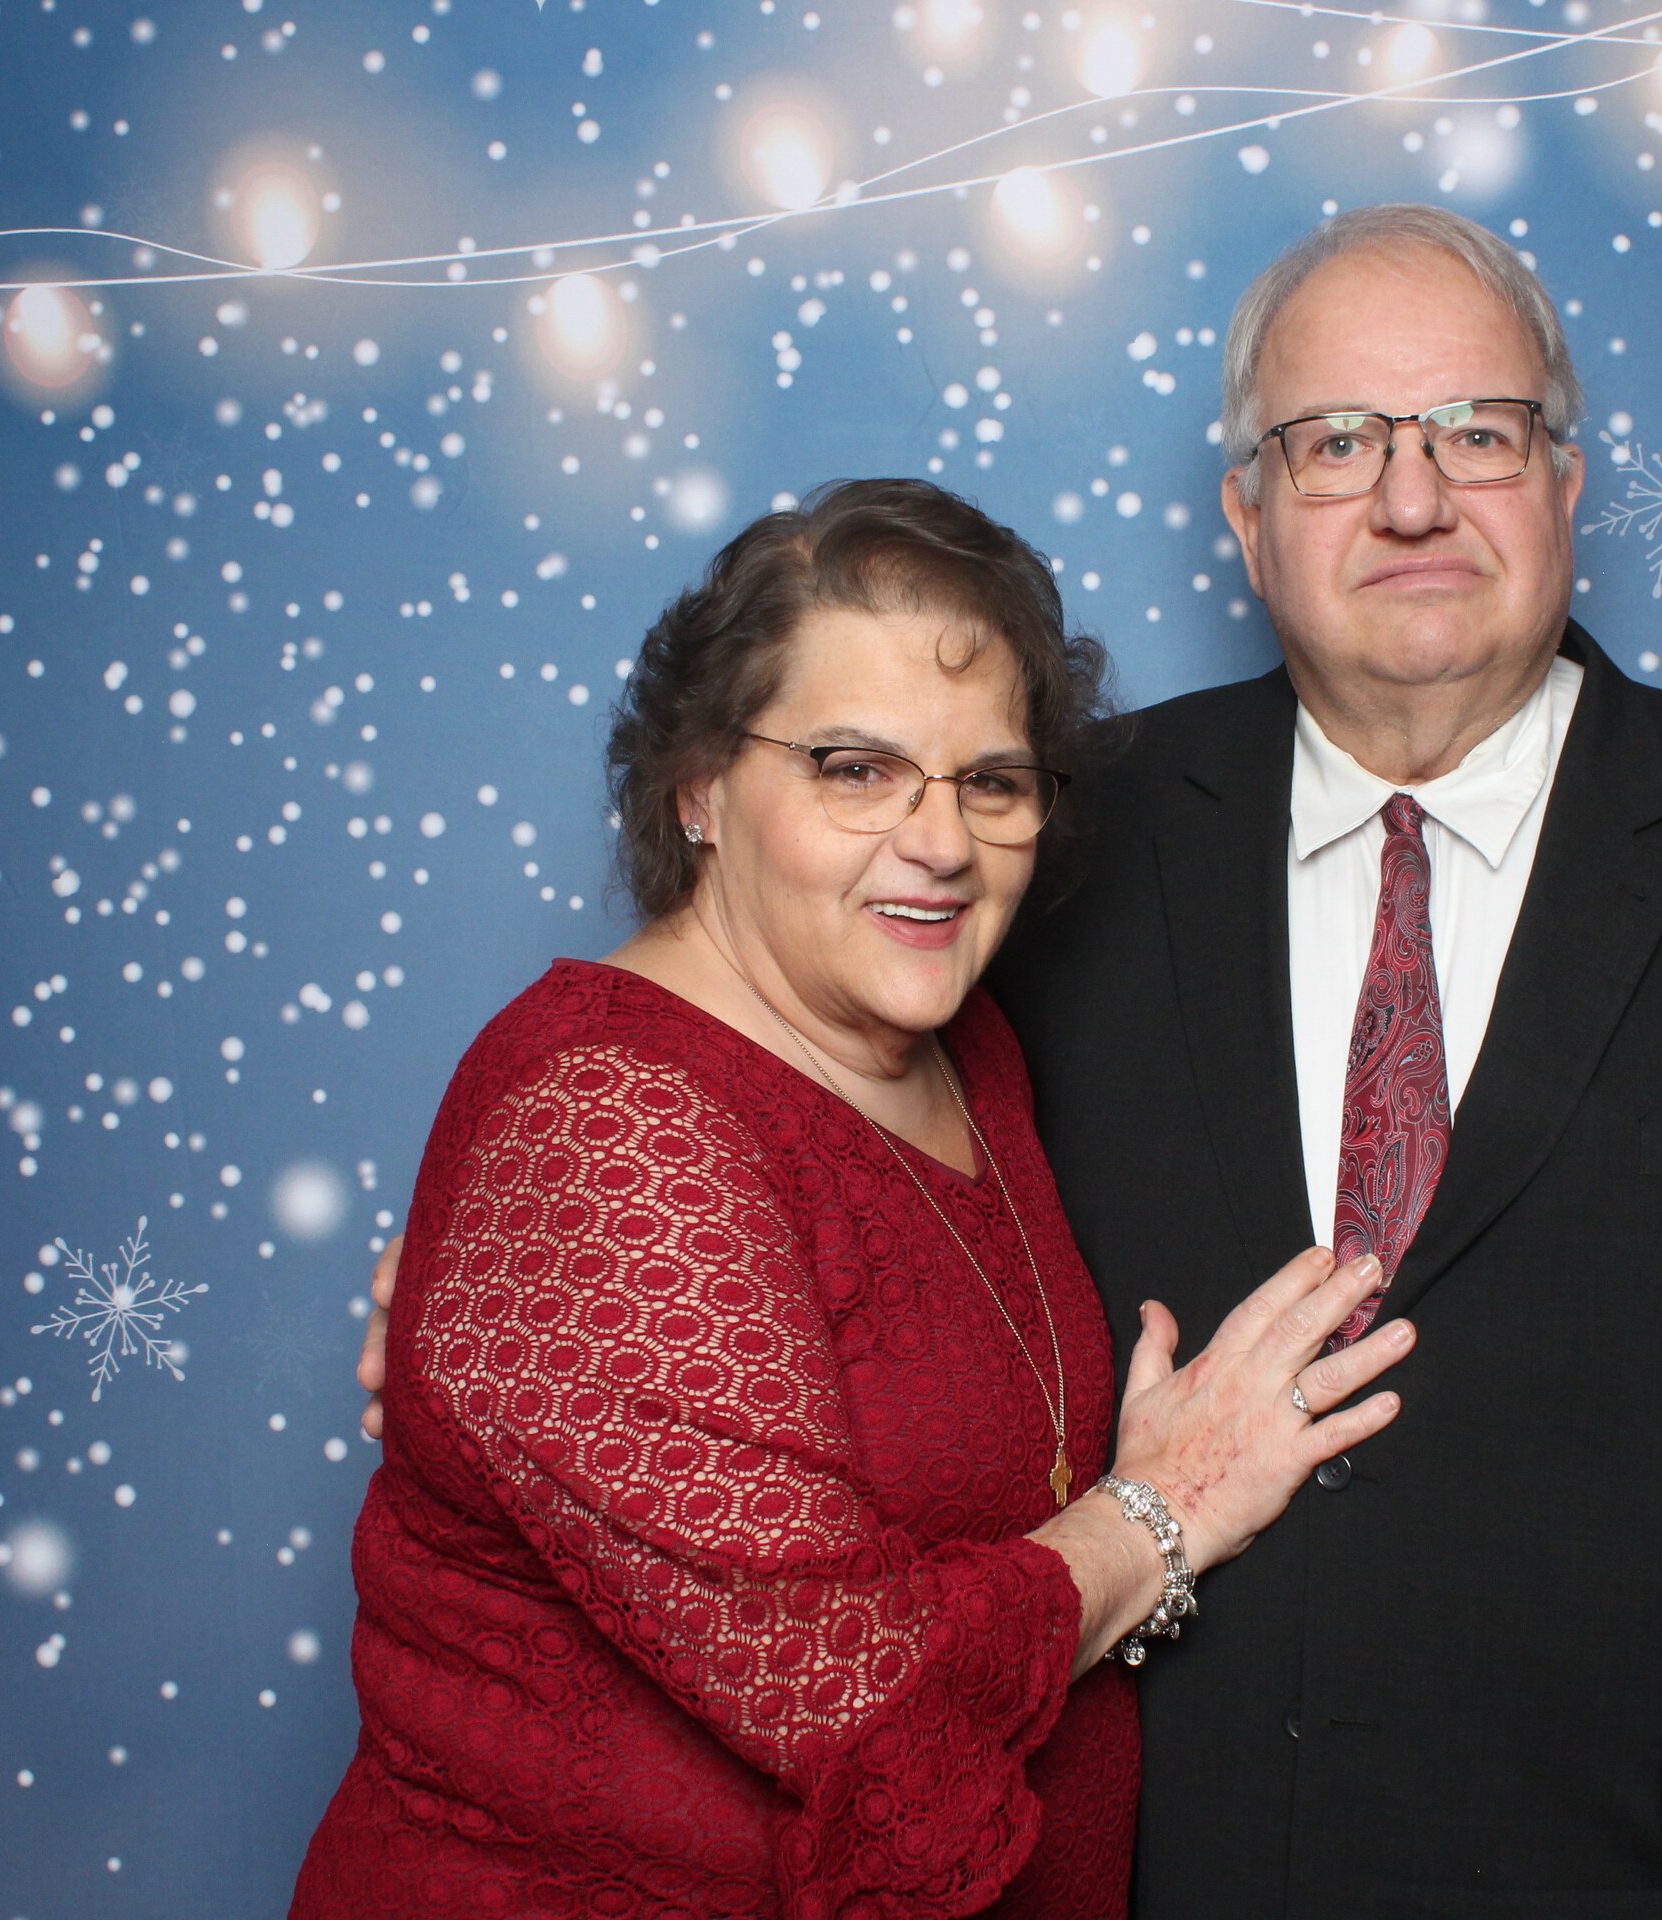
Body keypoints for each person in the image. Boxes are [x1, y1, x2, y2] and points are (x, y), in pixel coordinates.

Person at [366, 207, 1662, 1915]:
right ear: (1248, 522)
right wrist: (501, 1309)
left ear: (1566, 483)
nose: (1410, 498)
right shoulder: (1050, 848)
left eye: (1477, 433)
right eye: (1335, 442)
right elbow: (744, 1118)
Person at [293, 477, 1416, 1918]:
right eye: (855, 768)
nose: (940, 841)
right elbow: (866, 1700)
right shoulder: (605, 1126)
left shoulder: (964, 1044)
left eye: (989, 780)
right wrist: (1160, 1513)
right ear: (699, 787)